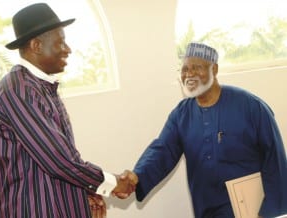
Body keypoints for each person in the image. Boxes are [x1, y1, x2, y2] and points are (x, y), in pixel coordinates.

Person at [0, 3, 136, 218]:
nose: (68, 49)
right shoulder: (19, 91)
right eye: (61, 42)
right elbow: (59, 161)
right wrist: (112, 184)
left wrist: (87, 190)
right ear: (37, 45)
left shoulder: (41, 88)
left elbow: (61, 158)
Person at [118, 42, 287, 218]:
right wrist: (136, 177)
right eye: (184, 70)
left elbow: (275, 160)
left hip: (253, 211)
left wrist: (268, 212)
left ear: (214, 69)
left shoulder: (251, 107)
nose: (189, 74)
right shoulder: (181, 114)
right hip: (206, 209)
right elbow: (162, 151)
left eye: (196, 68)